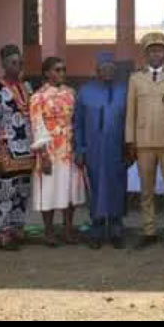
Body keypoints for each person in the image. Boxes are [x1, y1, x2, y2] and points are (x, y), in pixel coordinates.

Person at [126, 32, 164, 249]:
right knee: (146, 190)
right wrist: (130, 140)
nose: (156, 54)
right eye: (151, 51)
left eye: (159, 50)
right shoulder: (135, 79)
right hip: (143, 141)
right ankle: (149, 230)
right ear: (145, 54)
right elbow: (131, 112)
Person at [73, 52, 129, 250]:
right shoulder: (85, 91)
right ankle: (97, 228)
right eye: (104, 68)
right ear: (97, 70)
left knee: (117, 185)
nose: (108, 71)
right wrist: (80, 148)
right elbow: (78, 123)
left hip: (116, 148)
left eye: (111, 67)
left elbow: (130, 121)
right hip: (93, 149)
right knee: (95, 187)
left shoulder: (124, 91)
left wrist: (129, 147)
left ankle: (116, 227)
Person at [30, 57, 86, 247]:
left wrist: (79, 148)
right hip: (50, 151)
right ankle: (49, 231)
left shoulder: (71, 93)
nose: (62, 73)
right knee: (49, 190)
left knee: (70, 191)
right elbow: (37, 125)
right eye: (57, 70)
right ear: (47, 73)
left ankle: (68, 229)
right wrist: (43, 155)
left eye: (63, 70)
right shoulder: (38, 97)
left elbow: (77, 121)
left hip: (70, 150)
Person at [0, 44, 33, 251]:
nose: (18, 66)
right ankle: (3, 233)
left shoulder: (27, 88)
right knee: (5, 192)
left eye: (20, 62)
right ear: (3, 64)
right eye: (13, 63)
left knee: (22, 191)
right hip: (5, 151)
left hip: (26, 150)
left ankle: (17, 229)